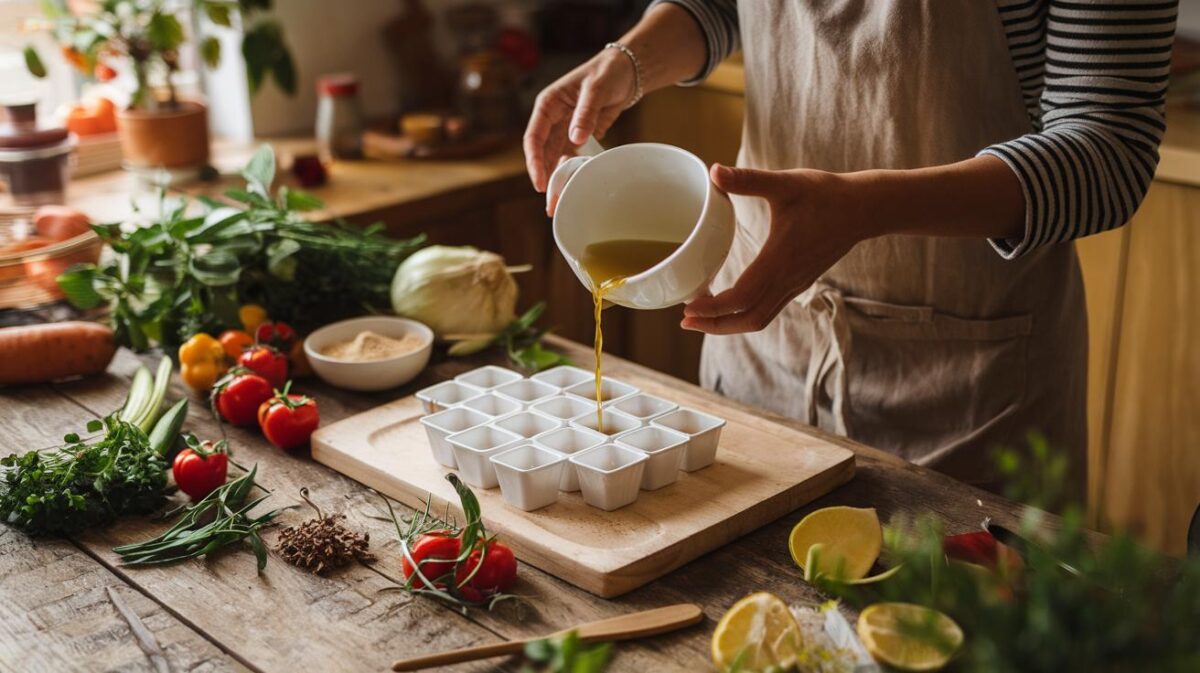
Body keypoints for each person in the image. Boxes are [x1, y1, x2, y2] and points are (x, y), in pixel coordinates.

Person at [523, 1, 1177, 497]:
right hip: (763, 343)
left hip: (971, 385)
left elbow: (1109, 154)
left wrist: (863, 210)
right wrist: (630, 60)